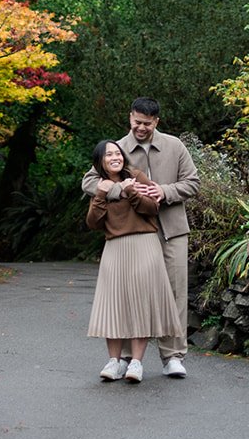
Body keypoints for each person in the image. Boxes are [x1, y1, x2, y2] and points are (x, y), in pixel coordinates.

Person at [81, 96, 199, 377]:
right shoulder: (117, 148)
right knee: (126, 293)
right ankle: (122, 358)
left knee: (173, 292)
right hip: (131, 232)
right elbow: (89, 181)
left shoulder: (174, 145)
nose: (141, 128)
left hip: (171, 230)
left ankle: (173, 356)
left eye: (146, 123)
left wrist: (164, 192)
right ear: (130, 117)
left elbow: (192, 182)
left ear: (156, 121)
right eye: (136, 122)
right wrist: (118, 189)